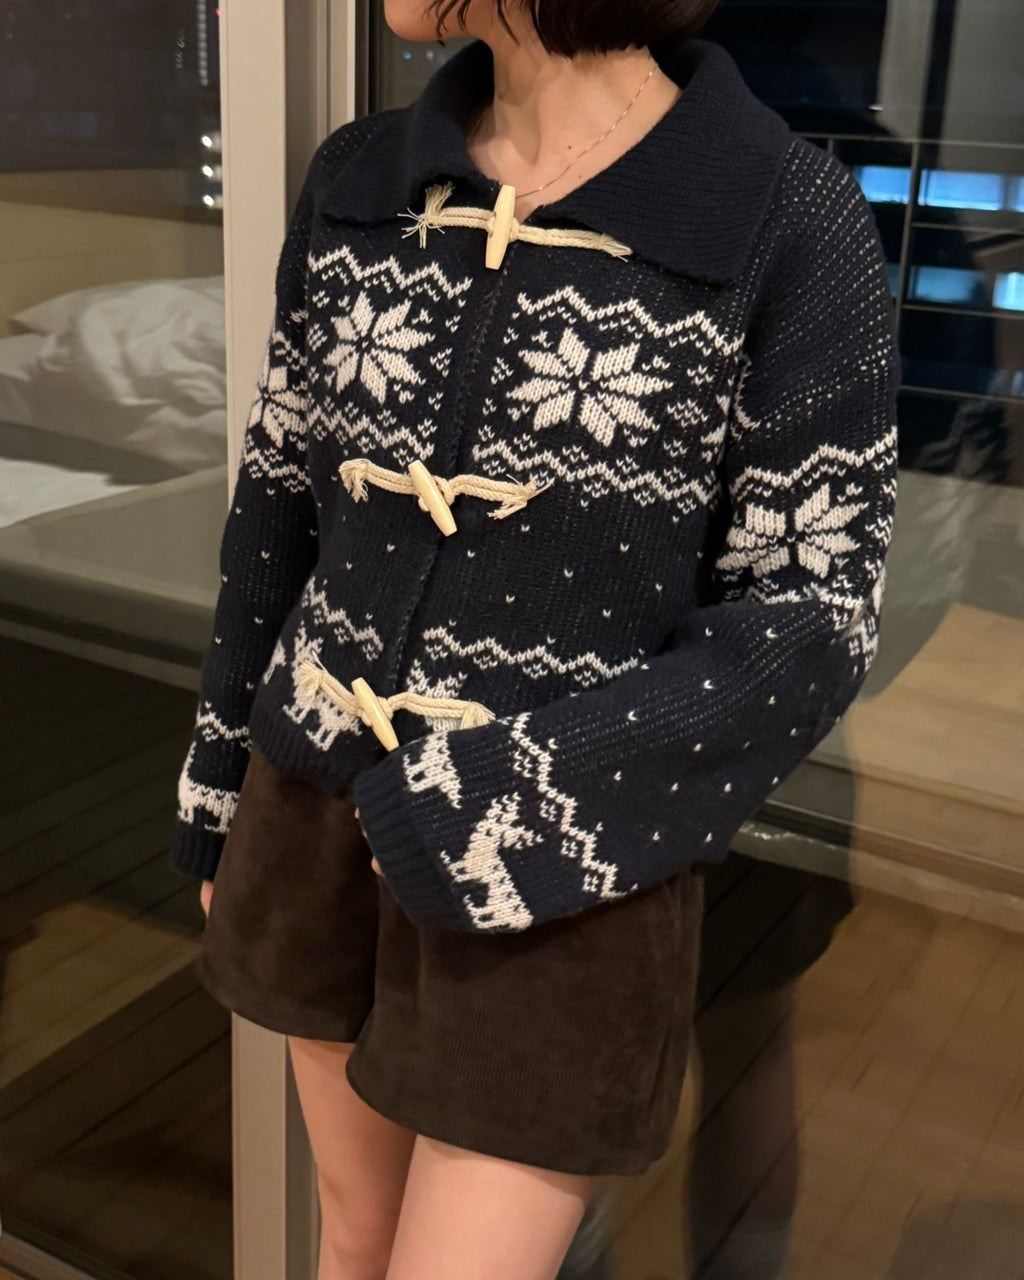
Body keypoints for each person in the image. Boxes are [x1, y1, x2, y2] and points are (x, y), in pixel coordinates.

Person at [170, 1, 902, 1277]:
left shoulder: (783, 217)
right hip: (313, 811)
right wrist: (217, 789)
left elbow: (811, 614)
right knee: (352, 1233)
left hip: (562, 866)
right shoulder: (359, 179)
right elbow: (279, 505)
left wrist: (488, 804)